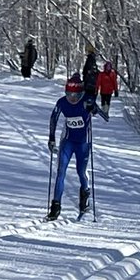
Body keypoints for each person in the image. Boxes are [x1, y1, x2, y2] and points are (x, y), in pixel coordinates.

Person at [47, 74, 105, 219]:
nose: (72, 98)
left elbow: (104, 116)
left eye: (75, 95)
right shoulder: (62, 102)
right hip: (68, 141)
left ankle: (85, 197)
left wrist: (93, 108)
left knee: (81, 171)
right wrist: (52, 138)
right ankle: (55, 206)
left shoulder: (86, 100)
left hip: (83, 143)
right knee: (61, 172)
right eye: (69, 94)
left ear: (81, 93)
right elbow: (53, 118)